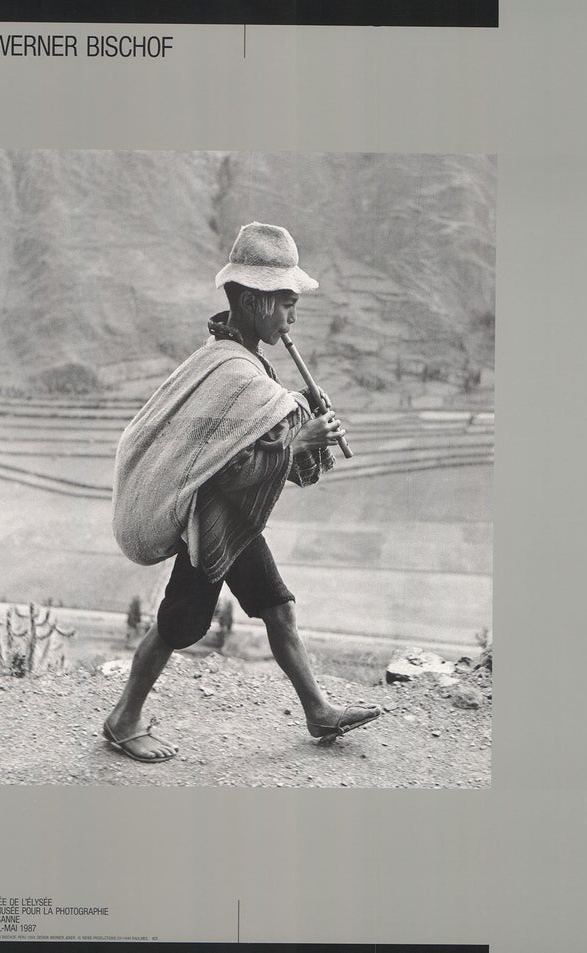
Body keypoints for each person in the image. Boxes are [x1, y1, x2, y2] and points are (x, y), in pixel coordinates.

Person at [104, 222, 381, 762]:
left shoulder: (242, 364)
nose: (292, 316)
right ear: (254, 301)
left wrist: (295, 406)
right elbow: (231, 471)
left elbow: (249, 441)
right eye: (284, 303)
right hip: (209, 528)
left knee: (277, 609)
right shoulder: (236, 373)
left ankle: (318, 712)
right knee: (178, 624)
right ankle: (123, 718)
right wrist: (300, 437)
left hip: (234, 523)